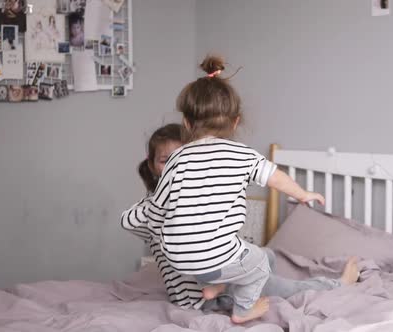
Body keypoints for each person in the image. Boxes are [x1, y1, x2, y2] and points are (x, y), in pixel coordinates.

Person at [121, 55, 358, 323]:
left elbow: (156, 207)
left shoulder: (179, 158)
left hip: (182, 259)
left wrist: (137, 219)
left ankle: (216, 286)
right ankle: (246, 310)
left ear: (186, 123)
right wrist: (303, 194)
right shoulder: (241, 154)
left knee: (265, 256)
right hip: (211, 268)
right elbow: (275, 177)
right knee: (261, 267)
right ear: (235, 122)